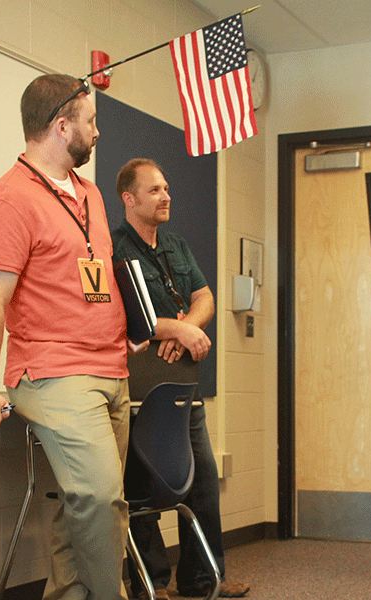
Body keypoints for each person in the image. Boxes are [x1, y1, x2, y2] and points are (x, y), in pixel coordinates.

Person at [0, 74, 145, 600]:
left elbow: (98, 275)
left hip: (112, 368)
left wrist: (129, 327)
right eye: (90, 122)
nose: (97, 132)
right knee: (99, 497)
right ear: (60, 126)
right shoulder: (10, 200)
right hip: (54, 373)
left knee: (80, 507)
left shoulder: (88, 192)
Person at [112, 159, 249, 600]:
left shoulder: (176, 244)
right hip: (139, 388)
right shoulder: (114, 249)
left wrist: (186, 326)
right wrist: (178, 330)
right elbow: (127, 318)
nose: (166, 196)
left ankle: (204, 578)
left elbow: (204, 296)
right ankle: (153, 584)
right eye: (154, 190)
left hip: (183, 384)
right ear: (128, 199)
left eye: (166, 188)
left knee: (203, 477)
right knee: (143, 482)